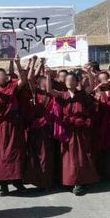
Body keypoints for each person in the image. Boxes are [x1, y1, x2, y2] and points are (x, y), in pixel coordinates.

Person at [45, 66, 99, 195]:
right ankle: (73, 181)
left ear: (77, 82)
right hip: (68, 129)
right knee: (70, 157)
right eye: (68, 80)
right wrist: (47, 75)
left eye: (73, 80)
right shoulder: (62, 94)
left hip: (81, 129)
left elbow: (92, 86)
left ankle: (83, 180)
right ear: (65, 82)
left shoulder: (82, 93)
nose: (70, 82)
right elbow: (49, 90)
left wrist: (89, 73)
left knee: (84, 155)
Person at [0, 54, 27, 196]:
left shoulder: (12, 87)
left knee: (15, 154)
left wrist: (18, 63)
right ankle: (3, 185)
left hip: (12, 126)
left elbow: (24, 80)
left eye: (4, 75)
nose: (3, 77)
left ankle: (17, 181)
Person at [24, 56, 55, 190]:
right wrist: (34, 63)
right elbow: (30, 78)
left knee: (45, 154)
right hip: (34, 125)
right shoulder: (35, 93)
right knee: (33, 153)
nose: (43, 85)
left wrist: (47, 75)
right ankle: (35, 179)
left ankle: (46, 181)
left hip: (46, 126)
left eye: (45, 83)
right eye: (41, 83)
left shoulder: (51, 94)